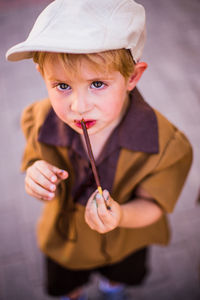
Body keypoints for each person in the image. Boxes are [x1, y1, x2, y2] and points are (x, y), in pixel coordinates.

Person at [6, 0, 193, 299]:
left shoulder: (168, 145)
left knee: (119, 276)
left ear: (132, 77)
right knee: (67, 283)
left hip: (124, 242)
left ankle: (112, 289)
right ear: (43, 76)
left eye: (97, 83)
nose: (78, 107)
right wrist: (34, 172)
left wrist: (120, 216)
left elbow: (154, 207)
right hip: (66, 241)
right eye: (62, 86)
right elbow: (33, 157)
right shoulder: (39, 118)